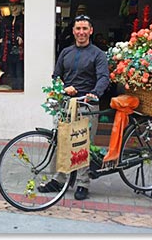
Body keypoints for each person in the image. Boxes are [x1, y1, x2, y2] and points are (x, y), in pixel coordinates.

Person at [38, 15, 110, 200]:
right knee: (61, 142)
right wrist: (62, 88)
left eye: (85, 29)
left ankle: (82, 183)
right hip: (66, 104)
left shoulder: (98, 54)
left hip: (87, 104)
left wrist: (95, 92)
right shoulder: (65, 52)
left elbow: (104, 77)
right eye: (78, 28)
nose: (81, 32)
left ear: (91, 31)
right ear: (73, 31)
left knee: (82, 145)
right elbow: (56, 76)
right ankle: (60, 180)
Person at [0, 0, 24, 90]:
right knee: (11, 71)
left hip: (20, 51)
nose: (14, 8)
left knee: (19, 71)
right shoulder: (6, 19)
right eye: (12, 6)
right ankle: (13, 88)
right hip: (8, 49)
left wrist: (21, 37)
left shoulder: (24, 19)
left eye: (16, 5)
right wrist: (1, 38)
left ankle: (20, 88)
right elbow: (1, 31)